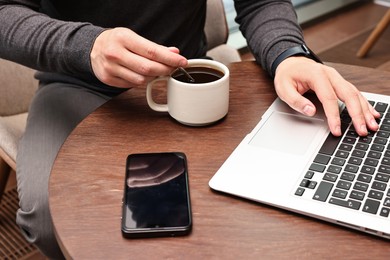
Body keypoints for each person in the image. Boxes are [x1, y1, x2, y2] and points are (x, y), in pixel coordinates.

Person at [0, 0, 380, 258]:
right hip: (78, 80)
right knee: (48, 218)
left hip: (188, 73)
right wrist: (86, 46)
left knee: (255, 204)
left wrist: (287, 54)